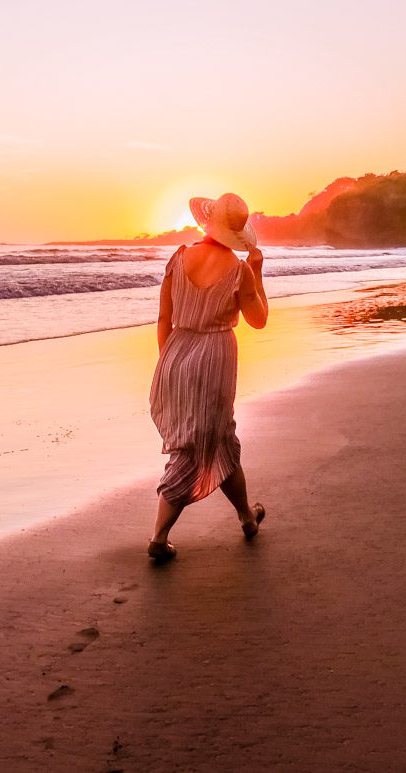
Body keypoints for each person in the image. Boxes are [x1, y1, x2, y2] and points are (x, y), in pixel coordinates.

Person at [147, 192, 269, 561]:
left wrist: (168, 362)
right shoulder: (239, 269)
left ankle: (247, 518)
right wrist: (258, 268)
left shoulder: (179, 257)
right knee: (204, 443)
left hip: (175, 353)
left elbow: (164, 318)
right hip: (215, 358)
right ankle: (158, 536)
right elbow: (259, 320)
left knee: (216, 442)